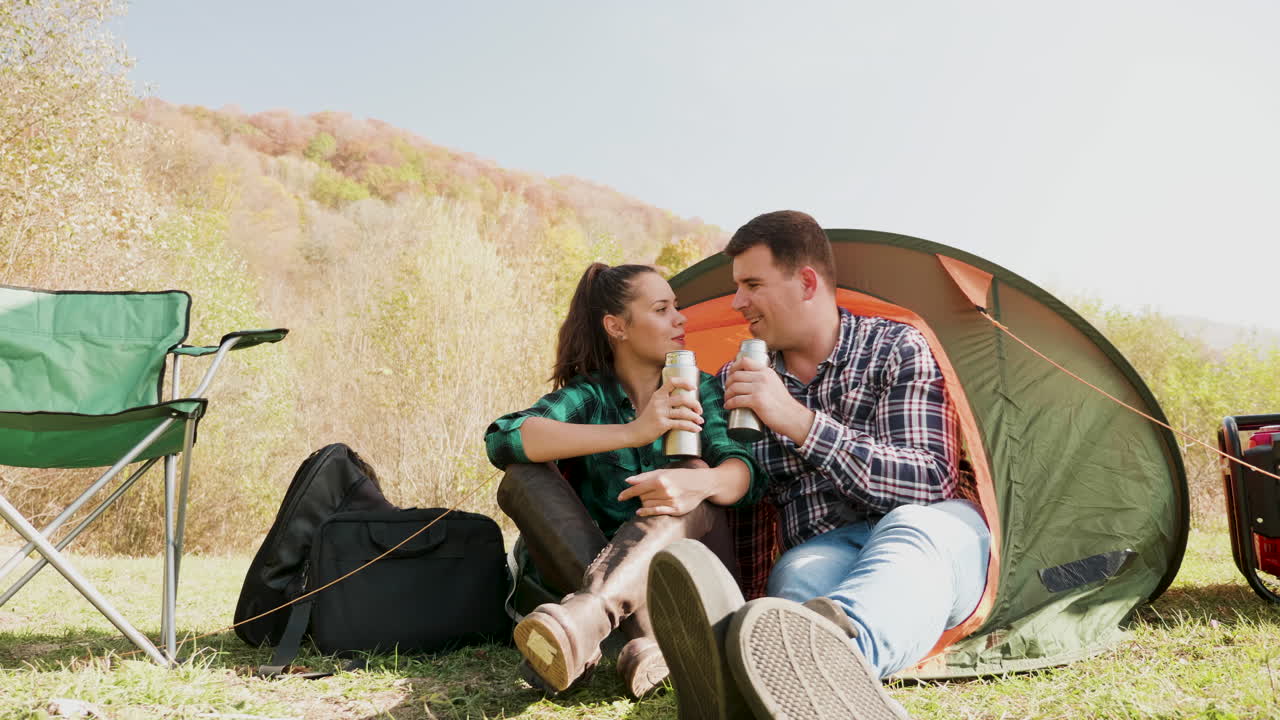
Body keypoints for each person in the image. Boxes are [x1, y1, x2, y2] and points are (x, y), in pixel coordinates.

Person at [648, 211, 992, 720]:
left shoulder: (894, 347)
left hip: (936, 539)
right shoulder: (734, 380)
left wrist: (796, 421)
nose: (738, 301)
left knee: (908, 532)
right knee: (796, 585)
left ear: (806, 282)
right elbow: (738, 490)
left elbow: (927, 481)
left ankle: (813, 666)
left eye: (751, 284)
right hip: (824, 549)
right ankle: (811, 684)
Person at [484, 262, 762, 699]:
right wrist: (635, 432)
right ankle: (637, 643)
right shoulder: (592, 396)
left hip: (686, 587)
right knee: (522, 476)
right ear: (617, 326)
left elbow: (744, 473)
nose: (680, 318)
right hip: (604, 570)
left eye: (677, 306)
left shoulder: (702, 389)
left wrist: (700, 484)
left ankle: (587, 622)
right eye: (661, 309)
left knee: (691, 474)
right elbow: (503, 438)